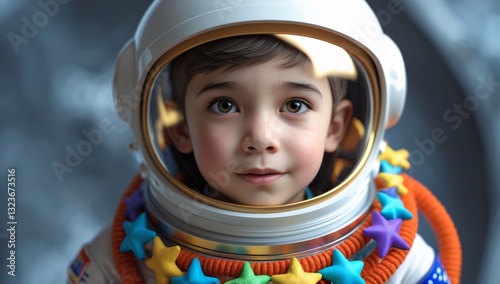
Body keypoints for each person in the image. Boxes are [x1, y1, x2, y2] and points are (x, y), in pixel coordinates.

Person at [68, 1, 462, 283]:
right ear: (181, 129)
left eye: (294, 104)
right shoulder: (116, 263)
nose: (260, 139)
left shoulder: (394, 259)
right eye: (224, 105)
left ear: (335, 127)